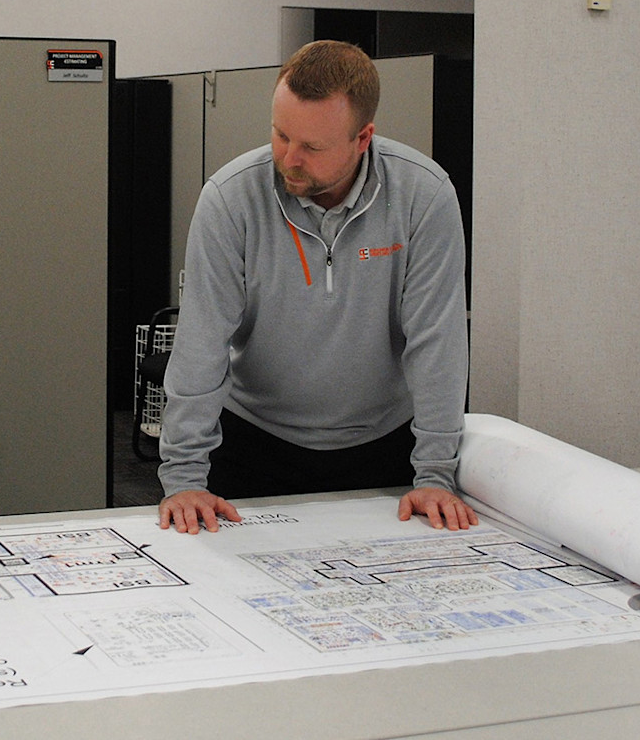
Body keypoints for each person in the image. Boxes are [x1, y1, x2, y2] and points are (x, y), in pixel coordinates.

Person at [157, 40, 476, 534]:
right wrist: (183, 478)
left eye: (312, 146)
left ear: (363, 137)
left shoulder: (423, 196)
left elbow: (438, 341)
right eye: (280, 135)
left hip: (384, 443)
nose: (289, 158)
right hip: (254, 440)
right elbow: (201, 344)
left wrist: (435, 472)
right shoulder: (230, 199)